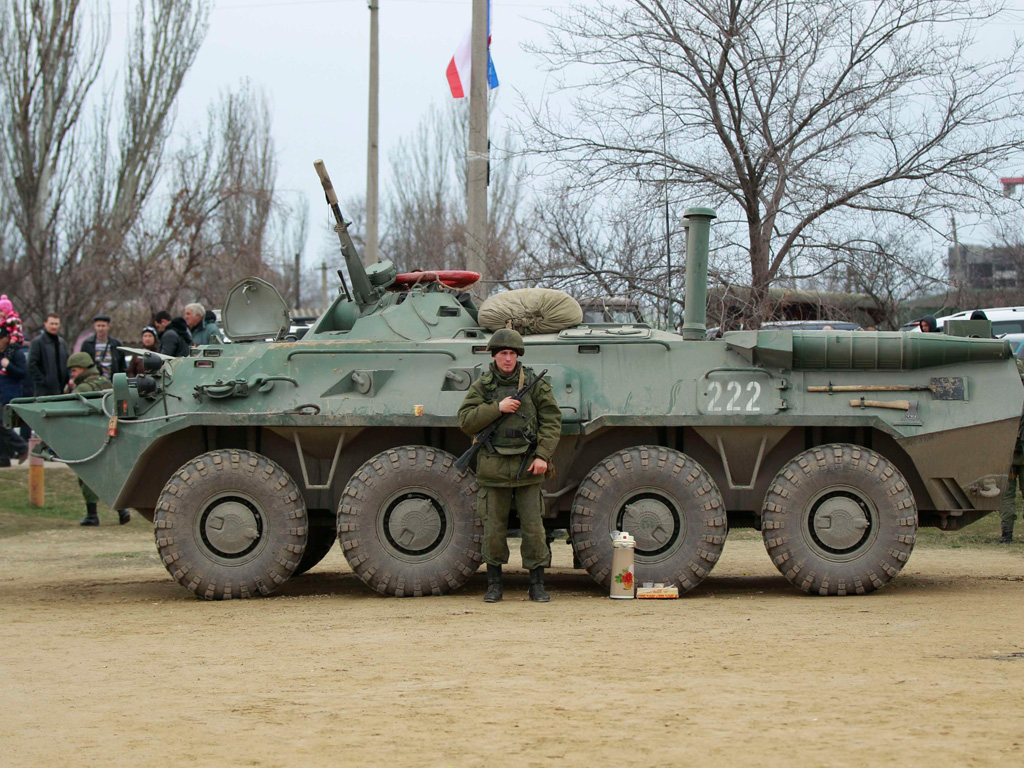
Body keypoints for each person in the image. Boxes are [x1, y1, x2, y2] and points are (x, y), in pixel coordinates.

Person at [457, 328, 562, 603]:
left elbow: (551, 420)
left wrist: (542, 455)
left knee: (534, 529)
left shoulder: (535, 384)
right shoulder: (484, 385)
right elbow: (466, 420)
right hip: (493, 467)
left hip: (528, 465)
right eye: (503, 353)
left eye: (512, 353)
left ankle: (537, 584)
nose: (508, 359)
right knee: (493, 529)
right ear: (494, 355)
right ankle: (494, 584)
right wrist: (497, 408)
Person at [64, 351, 129, 526]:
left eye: (75, 370)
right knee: (111, 473)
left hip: (90, 436)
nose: (73, 374)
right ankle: (122, 510)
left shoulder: (83, 388)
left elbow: (70, 411)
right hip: (111, 433)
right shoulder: (105, 382)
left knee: (87, 474)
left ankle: (92, 515)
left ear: (84, 368)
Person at [0, 326, 29, 466]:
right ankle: (3, 458)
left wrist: (9, 365)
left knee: (3, 425)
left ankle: (22, 447)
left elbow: (23, 373)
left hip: (10, 395)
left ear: (6, 339)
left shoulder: (15, 354)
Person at [28, 313, 69, 396]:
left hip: (61, 388)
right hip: (44, 391)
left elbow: (67, 362)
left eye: (56, 324)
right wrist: (43, 381)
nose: (54, 326)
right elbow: (31, 364)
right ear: (45, 324)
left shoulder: (62, 343)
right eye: (51, 324)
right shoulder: (38, 342)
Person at [80, 314, 126, 380]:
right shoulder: (87, 344)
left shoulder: (116, 344)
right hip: (93, 380)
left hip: (112, 381)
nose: (100, 329)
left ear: (108, 326)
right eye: (98, 326)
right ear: (94, 326)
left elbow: (122, 366)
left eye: (103, 326)